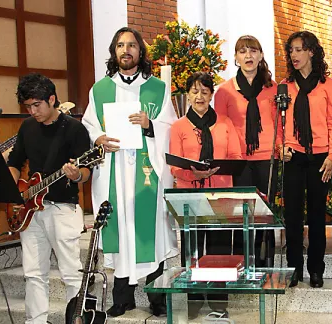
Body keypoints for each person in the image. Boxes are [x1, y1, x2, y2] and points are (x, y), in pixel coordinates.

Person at [81, 27, 179, 317]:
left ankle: (157, 297)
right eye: (121, 45)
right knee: (119, 227)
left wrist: (151, 126)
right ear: (114, 51)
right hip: (113, 171)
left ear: (140, 51)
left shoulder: (157, 88)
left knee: (153, 230)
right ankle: (122, 296)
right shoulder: (99, 89)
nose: (127, 50)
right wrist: (98, 138)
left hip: (147, 170)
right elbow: (88, 124)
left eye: (132, 45)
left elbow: (171, 127)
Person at [8, 73, 91, 324]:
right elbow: (14, 162)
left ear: (52, 99)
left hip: (62, 208)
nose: (33, 111)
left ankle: (75, 320)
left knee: (71, 272)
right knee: (33, 273)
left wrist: (76, 174)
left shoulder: (74, 129)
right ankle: (35, 321)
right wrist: (14, 194)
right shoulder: (27, 127)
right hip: (31, 210)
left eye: (37, 105)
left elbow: (87, 172)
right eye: (28, 106)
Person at [169, 72, 242, 318]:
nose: (199, 96)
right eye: (194, 91)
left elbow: (236, 157)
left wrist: (216, 168)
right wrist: (195, 175)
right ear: (187, 94)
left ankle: (218, 299)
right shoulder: (179, 126)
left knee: (219, 248)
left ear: (211, 94)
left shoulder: (225, 122)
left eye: (204, 91)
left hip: (220, 193)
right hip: (190, 195)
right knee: (192, 248)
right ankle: (194, 298)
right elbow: (175, 166)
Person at [281, 31, 332, 288]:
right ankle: (293, 269)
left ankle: (316, 269)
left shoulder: (328, 84)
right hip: (293, 155)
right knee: (293, 217)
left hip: (320, 158)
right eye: (291, 50)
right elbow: (278, 123)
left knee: (317, 216)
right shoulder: (284, 86)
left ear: (311, 52)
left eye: (299, 50)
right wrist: (280, 146)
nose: (294, 55)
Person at [214, 35, 279, 267]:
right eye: (243, 51)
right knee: (240, 215)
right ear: (236, 58)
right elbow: (220, 128)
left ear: (261, 56)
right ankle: (241, 264)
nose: (248, 56)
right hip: (239, 161)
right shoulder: (224, 92)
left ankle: (264, 265)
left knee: (264, 215)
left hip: (266, 159)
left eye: (253, 51)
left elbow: (280, 123)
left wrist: (279, 148)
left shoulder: (273, 89)